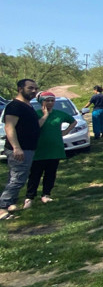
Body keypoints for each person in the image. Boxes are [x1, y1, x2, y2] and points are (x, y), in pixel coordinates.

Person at [24, 92, 76, 208]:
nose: (50, 103)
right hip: (39, 149)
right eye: (47, 100)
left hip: (55, 148)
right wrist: (45, 115)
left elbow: (73, 121)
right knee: (35, 174)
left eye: (52, 100)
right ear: (41, 102)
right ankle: (29, 197)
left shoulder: (59, 114)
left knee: (51, 173)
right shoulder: (35, 114)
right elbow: (35, 128)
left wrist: (66, 132)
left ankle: (46, 195)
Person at [0, 79, 43, 220]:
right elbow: (9, 126)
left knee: (15, 177)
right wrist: (16, 147)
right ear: (20, 89)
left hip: (28, 148)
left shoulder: (28, 106)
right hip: (20, 149)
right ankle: (2, 208)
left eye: (35, 88)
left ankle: (10, 203)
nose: (34, 91)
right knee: (18, 179)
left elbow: (34, 125)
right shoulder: (14, 106)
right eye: (30, 88)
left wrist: (46, 115)